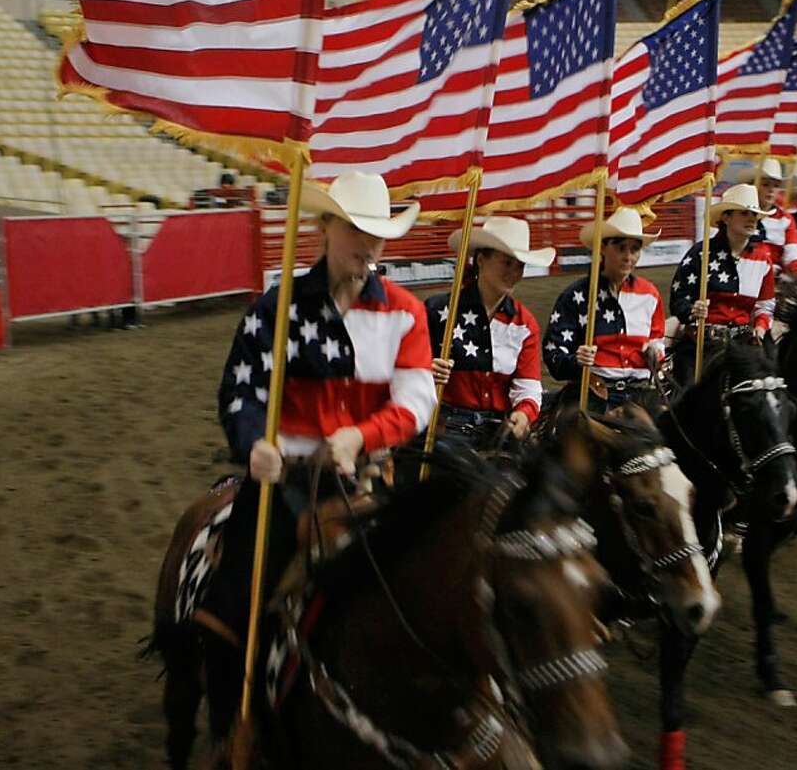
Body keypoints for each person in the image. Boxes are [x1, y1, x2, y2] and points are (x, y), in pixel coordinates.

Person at [200, 170, 435, 737]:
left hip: (366, 483)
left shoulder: (405, 312)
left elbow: (418, 398)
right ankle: (232, 731)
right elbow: (240, 389)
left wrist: (362, 436)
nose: (369, 245)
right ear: (324, 227)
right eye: (356, 229)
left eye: (377, 233)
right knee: (227, 611)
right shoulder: (274, 308)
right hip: (285, 485)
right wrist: (254, 443)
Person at [426, 216, 553, 448]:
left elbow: (529, 388)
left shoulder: (525, 324)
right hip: (446, 426)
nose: (514, 272)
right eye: (507, 263)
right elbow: (407, 370)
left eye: (520, 266)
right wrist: (426, 371)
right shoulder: (438, 311)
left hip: (498, 430)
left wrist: (524, 413)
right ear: (481, 260)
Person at [543, 207, 666, 413]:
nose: (628, 257)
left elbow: (657, 340)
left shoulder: (650, 295)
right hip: (594, 392)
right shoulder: (575, 296)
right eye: (621, 248)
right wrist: (575, 361)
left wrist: (655, 353)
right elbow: (553, 352)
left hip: (641, 394)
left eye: (634, 250)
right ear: (602, 247)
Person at [669, 183, 775, 385]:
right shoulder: (700, 253)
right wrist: (692, 310)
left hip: (743, 346)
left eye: (754, 215)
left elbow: (765, 306)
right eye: (744, 213)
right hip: (701, 345)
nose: (752, 219)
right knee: (688, 395)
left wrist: (760, 327)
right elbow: (678, 299)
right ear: (726, 217)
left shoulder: (764, 260)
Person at [752, 158, 797, 278]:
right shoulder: (741, 213)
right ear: (753, 185)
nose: (771, 190)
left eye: (776, 186)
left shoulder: (785, 219)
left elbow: (792, 253)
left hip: (775, 279)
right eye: (765, 185)